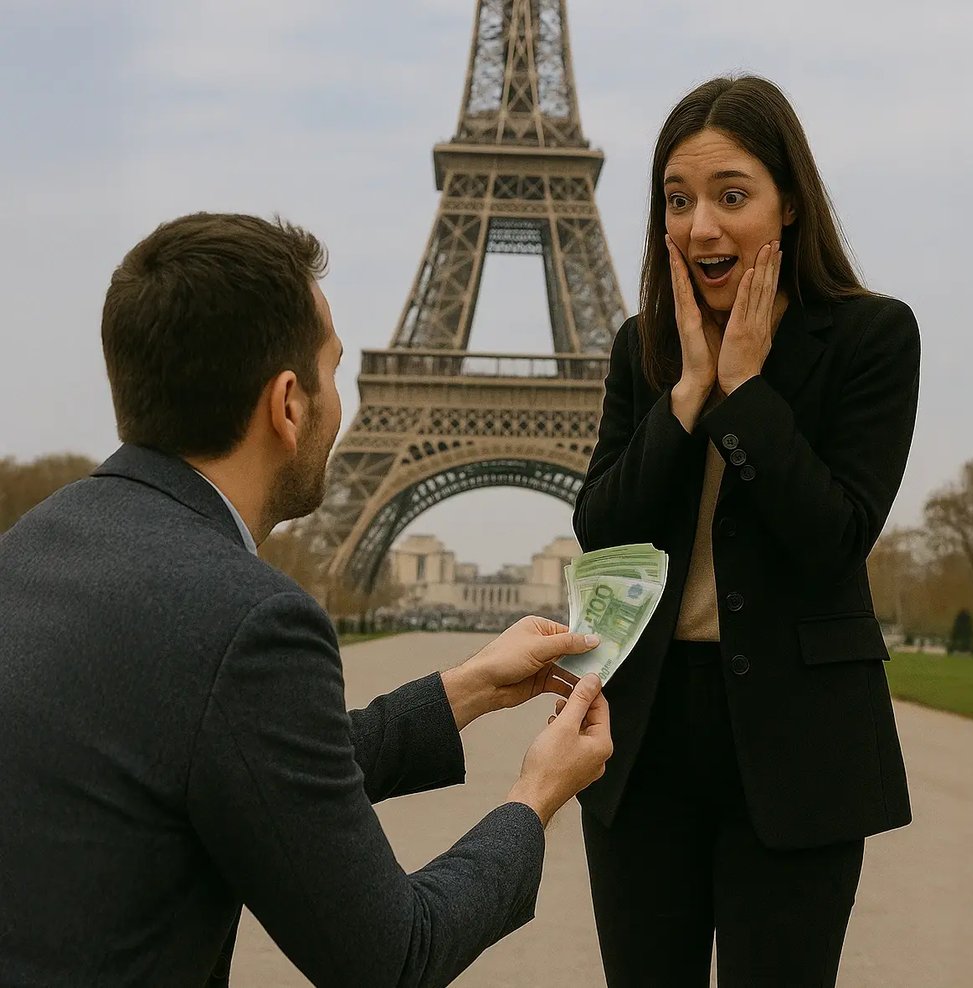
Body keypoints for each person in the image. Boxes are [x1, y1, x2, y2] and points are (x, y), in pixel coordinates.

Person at [0, 213, 613, 987]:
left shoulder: (31, 548)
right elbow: (392, 956)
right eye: (334, 372)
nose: (339, 404)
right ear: (289, 403)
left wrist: (463, 690)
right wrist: (535, 796)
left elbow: (250, 763)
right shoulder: (250, 618)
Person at [572, 76, 920, 987]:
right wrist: (686, 397)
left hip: (799, 748)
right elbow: (601, 530)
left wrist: (749, 390)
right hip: (645, 747)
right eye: (679, 201)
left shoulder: (872, 339)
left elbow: (836, 538)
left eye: (733, 195)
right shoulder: (639, 349)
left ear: (790, 202)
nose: (702, 227)